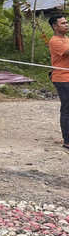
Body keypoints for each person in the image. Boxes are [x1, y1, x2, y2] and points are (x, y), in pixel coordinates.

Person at [48, 15, 69, 150]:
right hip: (63, 79)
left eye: (67, 22)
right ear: (55, 27)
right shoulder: (54, 41)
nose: (66, 25)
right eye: (63, 23)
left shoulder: (66, 39)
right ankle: (67, 140)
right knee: (67, 109)